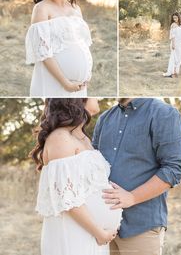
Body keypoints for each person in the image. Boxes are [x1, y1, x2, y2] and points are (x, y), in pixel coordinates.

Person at [93, 97, 181, 255]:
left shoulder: (163, 113)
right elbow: (93, 165)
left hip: (141, 226)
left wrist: (132, 197)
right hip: (104, 226)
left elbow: (174, 168)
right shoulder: (105, 118)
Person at [31, 98, 122, 255]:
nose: (98, 97)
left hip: (91, 234)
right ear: (77, 101)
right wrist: (99, 233)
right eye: (92, 95)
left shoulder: (82, 137)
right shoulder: (60, 137)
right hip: (73, 232)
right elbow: (66, 197)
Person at [25, 0, 93, 96]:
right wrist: (65, 83)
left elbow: (82, 43)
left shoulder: (75, 8)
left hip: (79, 86)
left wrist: (88, 73)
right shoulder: (41, 8)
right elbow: (42, 52)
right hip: (55, 82)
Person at [163, 12, 181, 78]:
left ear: (178, 17)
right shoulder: (173, 25)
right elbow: (172, 36)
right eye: (173, 18)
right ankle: (173, 73)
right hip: (175, 44)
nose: (174, 19)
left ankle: (176, 71)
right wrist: (173, 44)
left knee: (180, 58)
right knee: (174, 58)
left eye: (176, 17)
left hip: (180, 44)